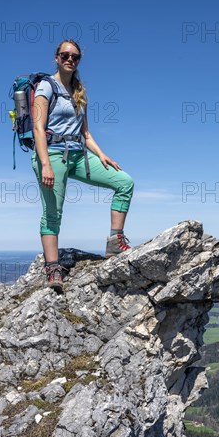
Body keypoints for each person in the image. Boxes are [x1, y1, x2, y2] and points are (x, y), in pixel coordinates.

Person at [32, 39, 134, 293]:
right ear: (56, 57)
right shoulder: (47, 86)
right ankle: (53, 268)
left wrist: (102, 155)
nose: (70, 59)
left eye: (75, 57)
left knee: (124, 182)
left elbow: (85, 133)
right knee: (53, 213)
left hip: (78, 156)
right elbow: (37, 127)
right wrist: (45, 164)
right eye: (65, 55)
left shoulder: (79, 91)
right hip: (52, 155)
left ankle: (114, 242)